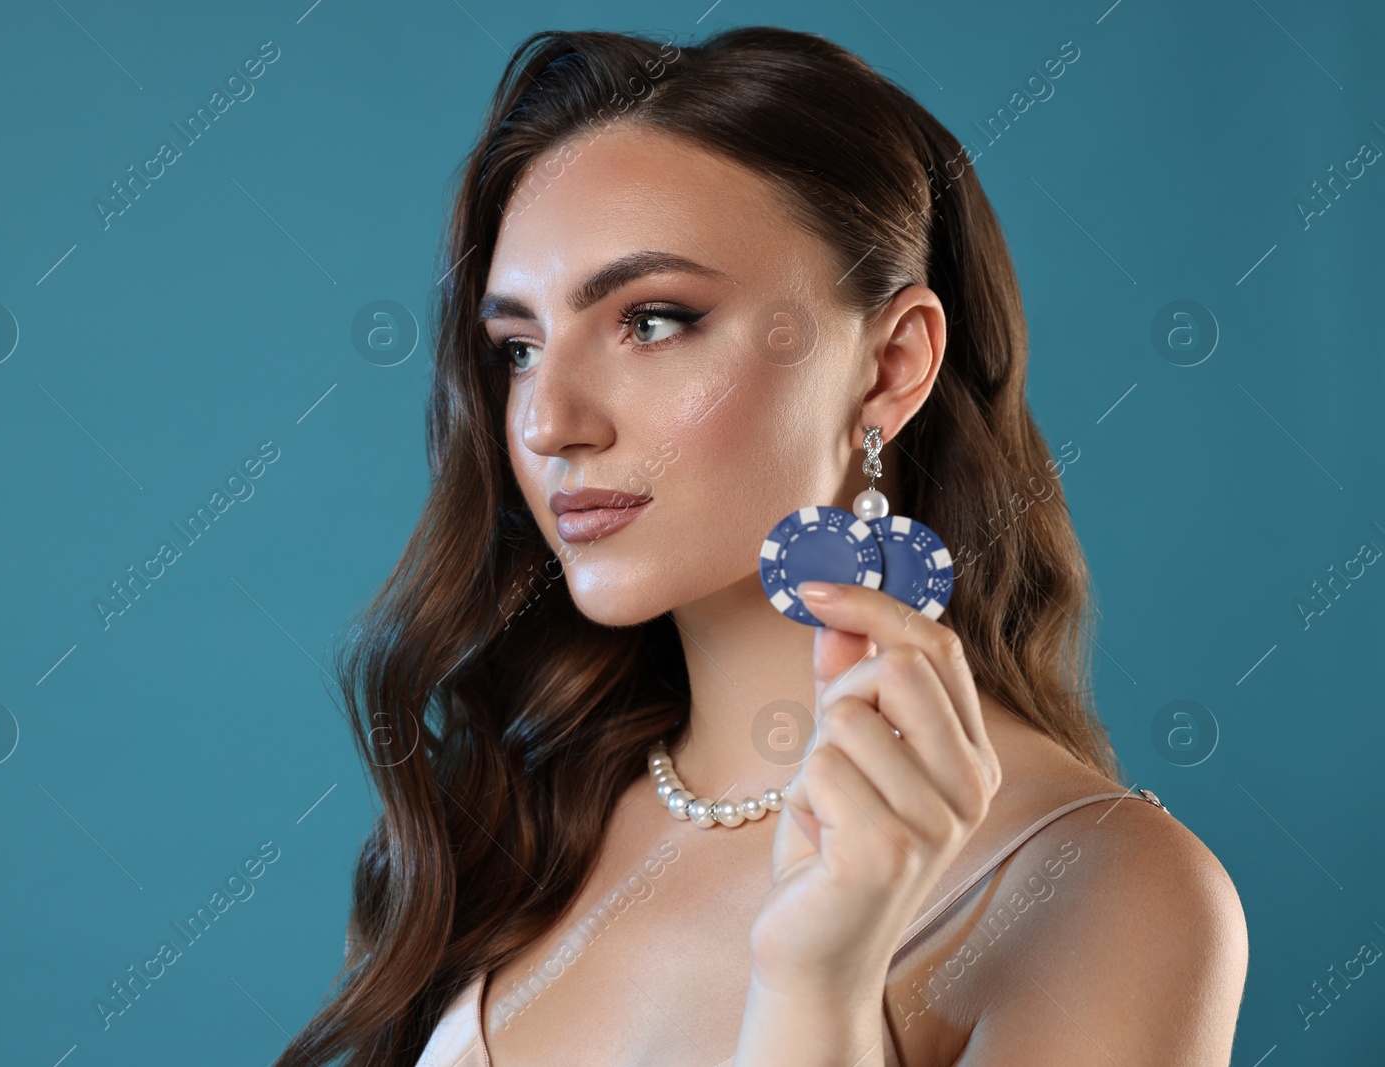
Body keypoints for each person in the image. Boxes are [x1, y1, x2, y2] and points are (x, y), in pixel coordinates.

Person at [274, 25, 1248, 1067]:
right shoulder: (531, 810)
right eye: (517, 347)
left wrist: (815, 984)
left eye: (651, 320)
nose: (548, 420)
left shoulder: (1100, 884)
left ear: (889, 367)